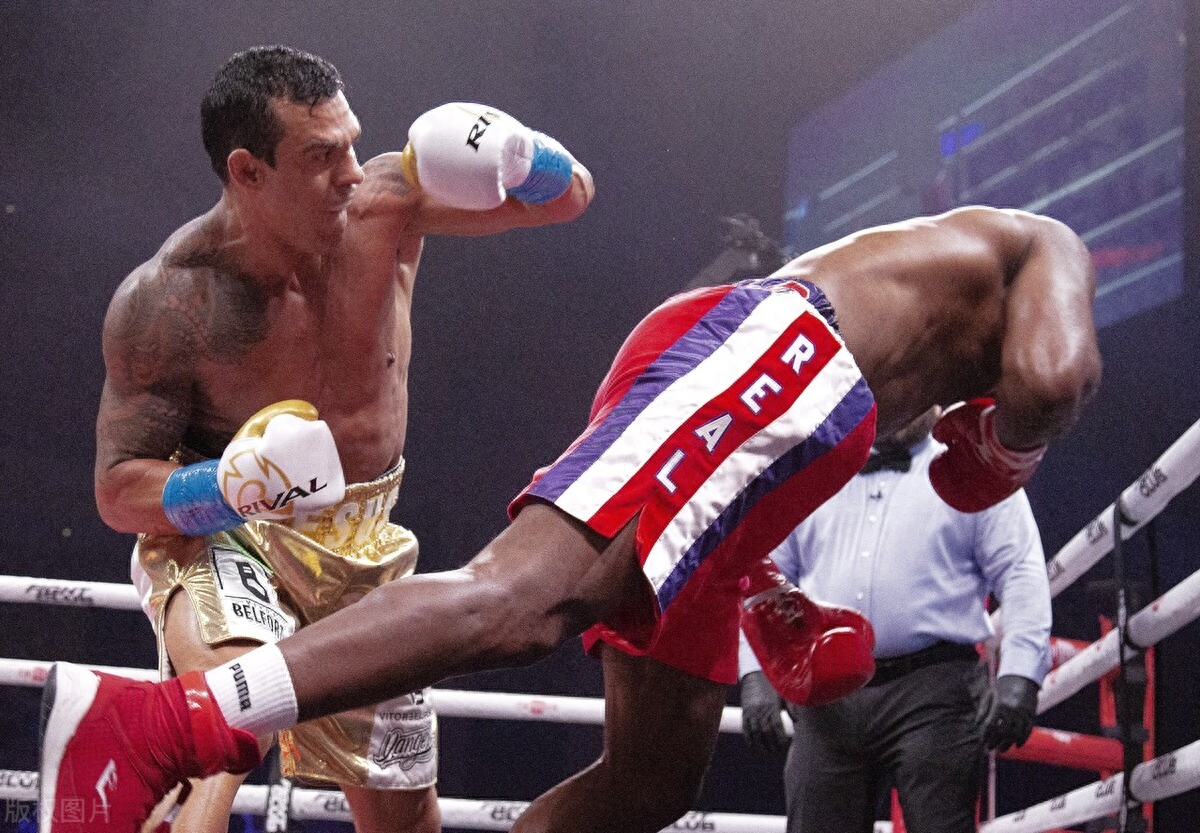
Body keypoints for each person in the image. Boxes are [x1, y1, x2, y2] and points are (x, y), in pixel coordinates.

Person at [40, 204, 1101, 833]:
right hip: (780, 353)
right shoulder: (1043, 246)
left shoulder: (928, 332)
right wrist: (1010, 452)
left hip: (774, 405)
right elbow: (1058, 377)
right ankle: (164, 724)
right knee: (523, 600)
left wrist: (761, 584)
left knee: (653, 774)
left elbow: (762, 459)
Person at [84, 45, 593, 833]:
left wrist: (523, 155)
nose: (353, 172)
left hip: (363, 538)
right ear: (248, 171)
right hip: (230, 531)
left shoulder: (389, 201)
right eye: (322, 157)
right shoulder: (172, 300)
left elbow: (569, 199)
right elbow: (119, 490)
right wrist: (228, 486)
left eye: (351, 143)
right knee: (224, 722)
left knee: (402, 818)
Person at [739, 406, 1053, 833]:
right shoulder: (815, 466)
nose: (909, 396)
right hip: (825, 689)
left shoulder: (975, 466)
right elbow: (763, 575)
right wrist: (756, 673)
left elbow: (1020, 571)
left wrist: (1020, 674)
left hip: (935, 690)